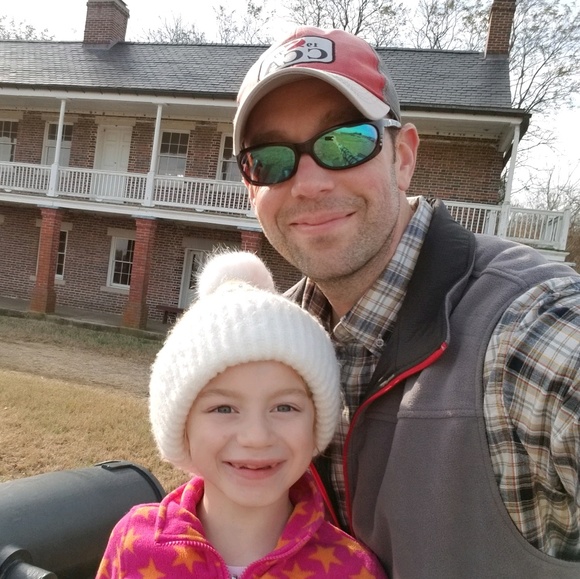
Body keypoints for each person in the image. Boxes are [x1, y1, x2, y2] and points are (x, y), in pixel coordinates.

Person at [232, 26, 580, 578]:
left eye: (345, 142)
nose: (309, 183)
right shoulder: (266, 341)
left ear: (403, 156)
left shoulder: (527, 327)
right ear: (252, 188)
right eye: (270, 160)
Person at [96, 251, 387, 578]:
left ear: (316, 422)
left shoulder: (353, 570)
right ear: (181, 426)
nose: (256, 437)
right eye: (224, 408)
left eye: (284, 407)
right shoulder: (133, 545)